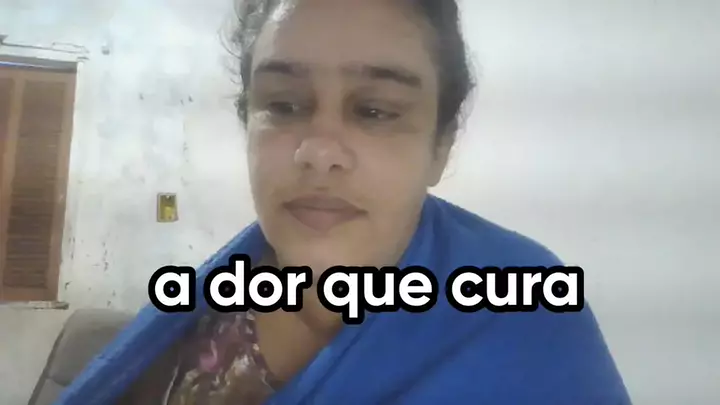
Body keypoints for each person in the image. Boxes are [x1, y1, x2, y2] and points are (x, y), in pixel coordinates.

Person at [52, 0, 632, 404]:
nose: (317, 152)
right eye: (283, 105)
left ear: (440, 147)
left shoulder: (524, 317)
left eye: (374, 111)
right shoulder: (207, 308)